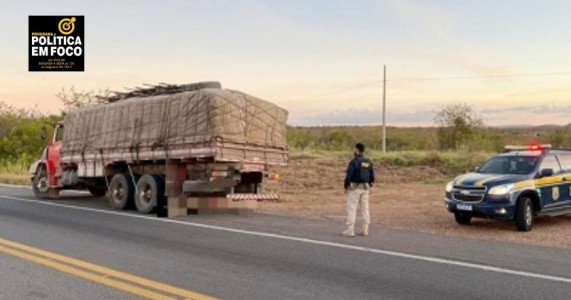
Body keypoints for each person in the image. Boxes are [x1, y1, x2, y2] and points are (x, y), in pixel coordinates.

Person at [343, 142, 375, 237]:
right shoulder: (368, 161)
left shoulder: (354, 161)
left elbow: (349, 175)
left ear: (357, 150)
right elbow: (372, 175)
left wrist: (346, 186)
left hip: (355, 188)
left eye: (354, 149)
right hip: (365, 187)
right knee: (365, 208)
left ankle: (350, 229)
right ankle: (365, 229)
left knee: (352, 208)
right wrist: (370, 185)